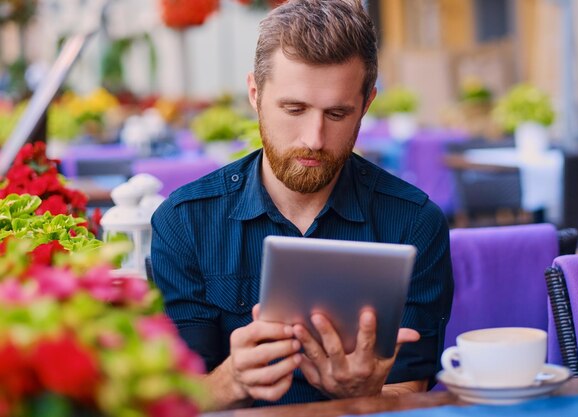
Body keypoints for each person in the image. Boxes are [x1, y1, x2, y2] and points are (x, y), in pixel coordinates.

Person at [151, 0, 453, 410]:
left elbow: (411, 387)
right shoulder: (185, 222)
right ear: (255, 95)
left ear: (366, 105)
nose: (313, 138)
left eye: (337, 113)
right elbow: (177, 398)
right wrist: (230, 380)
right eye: (294, 109)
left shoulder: (416, 222)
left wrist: (361, 395)